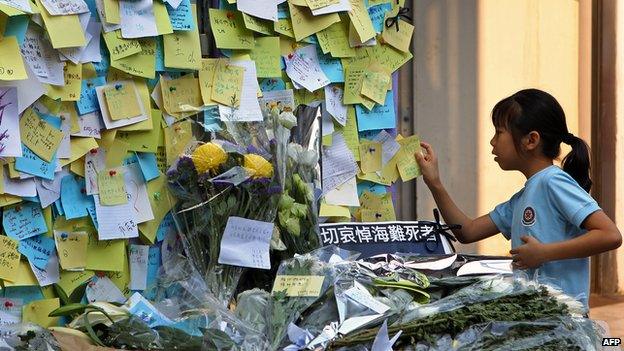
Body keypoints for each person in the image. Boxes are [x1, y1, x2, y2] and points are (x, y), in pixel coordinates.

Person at [415, 88, 622, 308]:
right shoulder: (523, 197)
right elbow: (467, 231)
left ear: (531, 140)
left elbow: (610, 235)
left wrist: (544, 253)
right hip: (537, 319)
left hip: (564, 320)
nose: (492, 142)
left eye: (499, 132)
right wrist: (434, 183)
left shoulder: (553, 182)